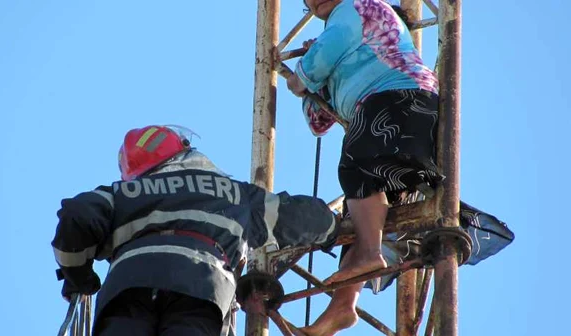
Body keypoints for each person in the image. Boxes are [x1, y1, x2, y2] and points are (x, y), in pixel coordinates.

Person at [50, 125, 341, 336]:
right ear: (183, 148)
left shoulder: (124, 193)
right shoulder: (235, 195)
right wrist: (336, 226)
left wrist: (79, 279)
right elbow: (299, 217)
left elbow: (78, 215)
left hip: (127, 288)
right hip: (202, 286)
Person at [285, 1, 443, 335]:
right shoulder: (339, 48)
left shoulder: (358, 7)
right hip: (387, 111)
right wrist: (312, 79)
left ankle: (372, 253)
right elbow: (319, 120)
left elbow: (320, 60)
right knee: (361, 213)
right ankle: (343, 306)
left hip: (400, 95)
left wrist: (302, 74)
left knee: (356, 167)